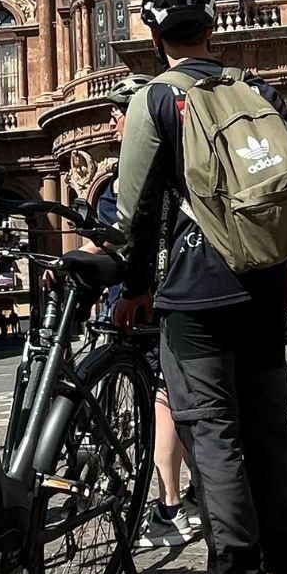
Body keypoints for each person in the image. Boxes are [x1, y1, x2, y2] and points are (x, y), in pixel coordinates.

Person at [112, 0, 287, 574]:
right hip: (265, 281)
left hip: (194, 290)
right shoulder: (258, 90)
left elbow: (132, 208)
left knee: (214, 438)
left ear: (154, 32)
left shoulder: (156, 99)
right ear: (212, 25)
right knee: (266, 432)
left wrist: (132, 288)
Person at [96, 73, 201, 549]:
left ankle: (169, 506)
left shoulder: (140, 167)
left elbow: (133, 232)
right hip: (172, 288)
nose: (114, 122)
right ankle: (181, 500)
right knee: (168, 395)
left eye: (120, 113)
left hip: (154, 295)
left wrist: (129, 283)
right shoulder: (178, 156)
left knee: (163, 396)